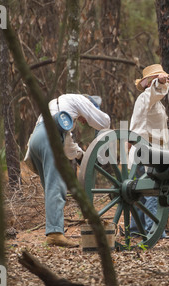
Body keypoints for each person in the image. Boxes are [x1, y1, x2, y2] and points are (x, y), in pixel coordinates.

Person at [24, 94, 110, 247]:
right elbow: (104, 121)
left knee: (52, 188)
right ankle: (55, 234)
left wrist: (82, 157)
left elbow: (68, 145)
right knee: (56, 186)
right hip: (49, 138)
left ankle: (55, 230)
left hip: (35, 141)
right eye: (84, 119)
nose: (84, 122)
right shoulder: (80, 100)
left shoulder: (58, 105)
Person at [129, 64, 169, 239]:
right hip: (146, 151)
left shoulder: (154, 102)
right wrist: (159, 82)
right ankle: (153, 230)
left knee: (139, 193)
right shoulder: (146, 97)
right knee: (152, 190)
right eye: (157, 79)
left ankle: (136, 229)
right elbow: (156, 90)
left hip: (147, 151)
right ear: (150, 83)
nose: (162, 83)